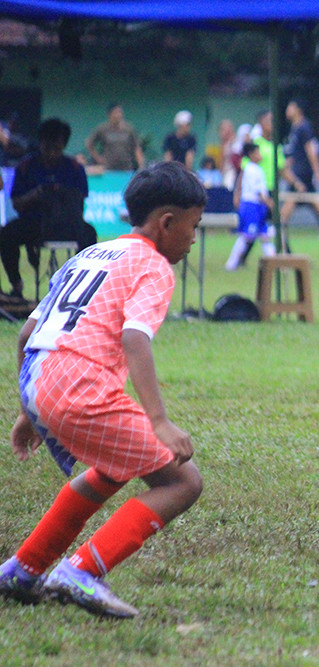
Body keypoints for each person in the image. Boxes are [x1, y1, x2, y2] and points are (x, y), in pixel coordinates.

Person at [0, 161, 206, 618]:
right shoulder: (152, 265)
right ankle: (82, 572)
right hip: (79, 386)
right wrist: (159, 421)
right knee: (182, 481)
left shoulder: (91, 254)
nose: (194, 238)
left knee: (113, 468)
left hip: (39, 380)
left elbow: (24, 334)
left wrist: (28, 411)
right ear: (167, 223)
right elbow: (135, 337)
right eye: (193, 226)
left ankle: (23, 569)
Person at [3, 117, 98, 299]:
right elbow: (16, 203)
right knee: (6, 234)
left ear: (64, 145)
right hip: (33, 223)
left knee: (89, 233)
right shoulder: (25, 167)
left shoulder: (75, 168)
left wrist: (61, 197)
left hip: (66, 223)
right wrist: (36, 195)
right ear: (40, 143)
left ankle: (82, 288)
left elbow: (80, 203)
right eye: (48, 147)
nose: (52, 153)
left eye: (57, 147)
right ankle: (17, 286)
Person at [280, 99, 319, 240]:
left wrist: (317, 169)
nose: (287, 110)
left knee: (292, 197)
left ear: (298, 109)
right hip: (298, 167)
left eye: (290, 107)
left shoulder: (304, 127)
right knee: (312, 198)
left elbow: (310, 148)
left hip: (302, 170)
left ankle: (279, 225)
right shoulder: (295, 128)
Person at [226, 142, 275, 271]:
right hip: (252, 206)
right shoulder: (253, 170)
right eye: (258, 152)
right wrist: (269, 203)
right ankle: (231, 264)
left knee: (265, 235)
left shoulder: (252, 168)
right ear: (252, 154)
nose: (260, 155)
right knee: (246, 236)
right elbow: (258, 192)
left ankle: (275, 263)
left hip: (257, 206)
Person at [85, 102, 145, 171]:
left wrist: (141, 165)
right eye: (115, 113)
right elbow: (89, 144)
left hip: (126, 168)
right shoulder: (102, 129)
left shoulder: (129, 129)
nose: (118, 115)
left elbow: (136, 148)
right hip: (109, 168)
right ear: (109, 114)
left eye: (120, 112)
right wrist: (98, 159)